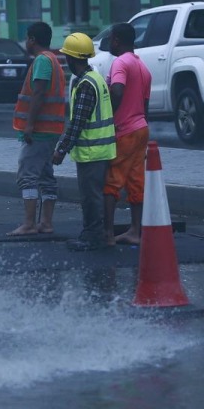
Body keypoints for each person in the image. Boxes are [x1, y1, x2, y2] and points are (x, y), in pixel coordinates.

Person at [53, 33, 117, 252]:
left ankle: (92, 237)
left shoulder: (86, 84)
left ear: (72, 59)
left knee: (91, 197)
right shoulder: (95, 78)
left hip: (93, 152)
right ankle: (93, 234)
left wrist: (61, 150)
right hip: (100, 150)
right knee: (93, 195)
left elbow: (77, 123)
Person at [7, 22, 67, 236]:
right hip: (51, 128)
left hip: (40, 129)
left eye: (27, 38)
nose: (26, 42)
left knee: (28, 174)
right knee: (45, 176)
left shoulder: (42, 61)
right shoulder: (53, 59)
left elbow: (39, 93)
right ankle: (46, 223)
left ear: (32, 39)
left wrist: (29, 125)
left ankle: (29, 224)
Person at [104, 23, 152, 246]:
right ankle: (135, 231)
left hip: (124, 130)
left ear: (116, 40)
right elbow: (145, 103)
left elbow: (118, 91)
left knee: (112, 182)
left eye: (111, 39)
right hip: (141, 128)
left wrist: (108, 118)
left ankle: (107, 234)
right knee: (135, 182)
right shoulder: (142, 67)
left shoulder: (120, 63)